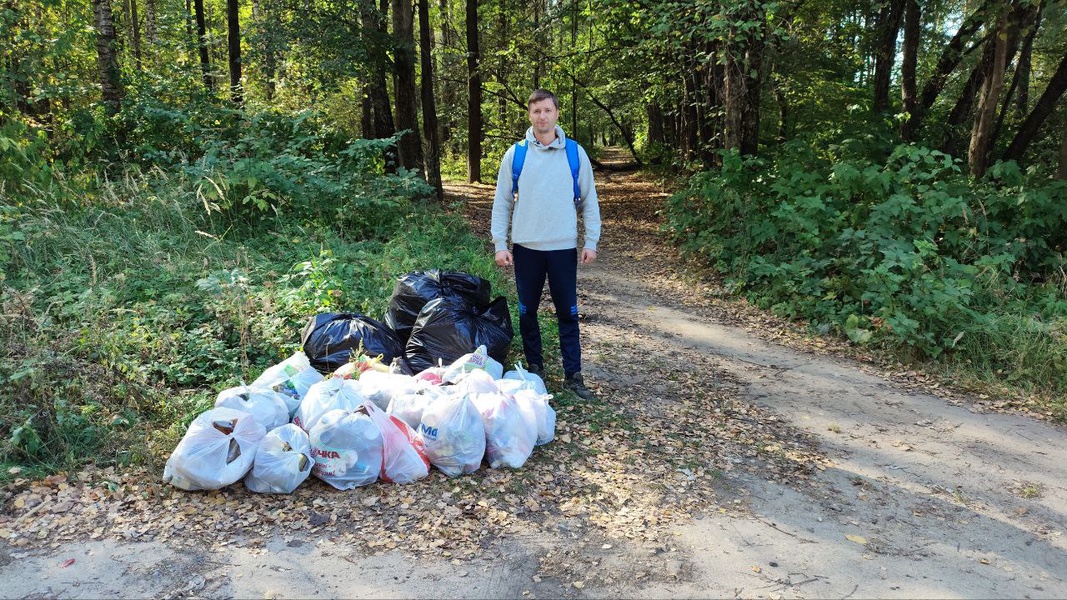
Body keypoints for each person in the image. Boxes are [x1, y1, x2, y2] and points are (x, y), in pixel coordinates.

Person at [490, 88, 601, 400]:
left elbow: (589, 201)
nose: (542, 116)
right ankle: (535, 369)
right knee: (528, 312)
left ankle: (574, 376)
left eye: (547, 111)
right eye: (536, 111)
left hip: (563, 248)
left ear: (556, 113)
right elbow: (501, 203)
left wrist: (590, 240)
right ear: (529, 115)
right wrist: (501, 243)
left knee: (568, 312)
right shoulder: (516, 155)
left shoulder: (575, 153)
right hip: (527, 249)